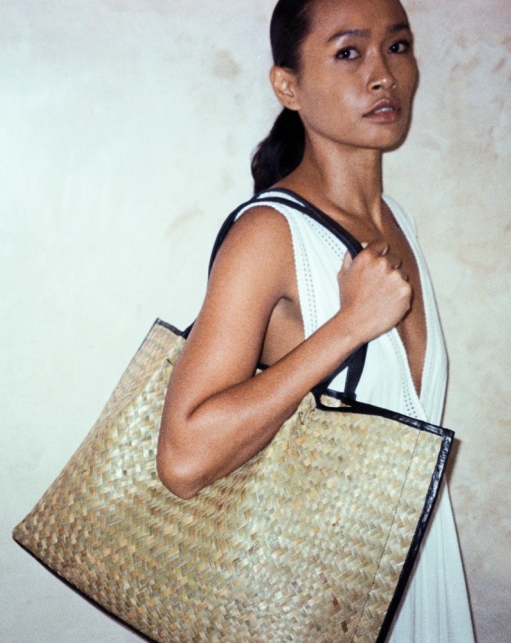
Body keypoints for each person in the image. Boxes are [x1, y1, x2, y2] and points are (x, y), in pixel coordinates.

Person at [156, 0, 475, 639]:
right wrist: (348, 326)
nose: (383, 75)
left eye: (399, 47)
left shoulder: (398, 223)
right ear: (288, 86)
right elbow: (183, 458)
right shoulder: (269, 234)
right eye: (349, 53)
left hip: (415, 567)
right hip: (317, 595)